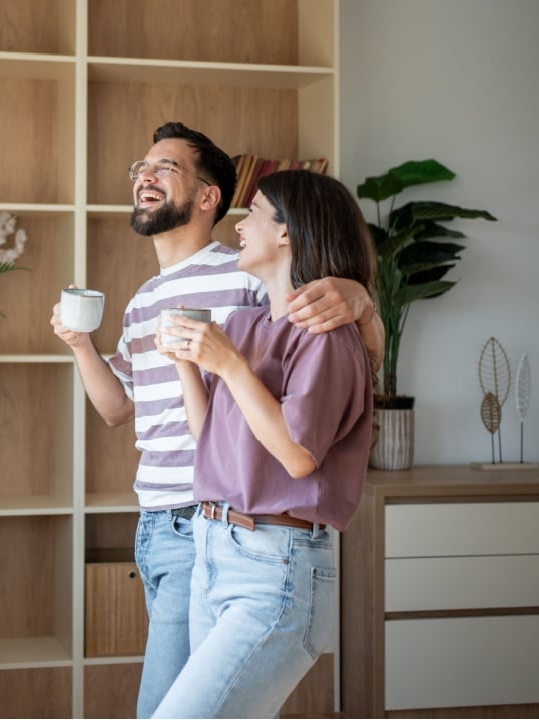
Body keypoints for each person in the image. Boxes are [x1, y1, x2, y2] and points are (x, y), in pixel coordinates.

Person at [48, 122, 383, 717]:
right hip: (167, 521)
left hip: (226, 519)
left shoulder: (244, 277)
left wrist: (357, 295)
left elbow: (330, 334)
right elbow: (117, 410)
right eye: (139, 169)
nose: (143, 177)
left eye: (164, 168)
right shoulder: (144, 300)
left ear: (208, 197)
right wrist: (80, 345)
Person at [150, 169, 376, 718]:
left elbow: (298, 455)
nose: (239, 224)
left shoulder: (326, 337)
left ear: (287, 234)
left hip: (275, 569)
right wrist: (188, 363)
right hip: (214, 549)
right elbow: (210, 440)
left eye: (254, 211)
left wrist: (227, 364)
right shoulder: (245, 324)